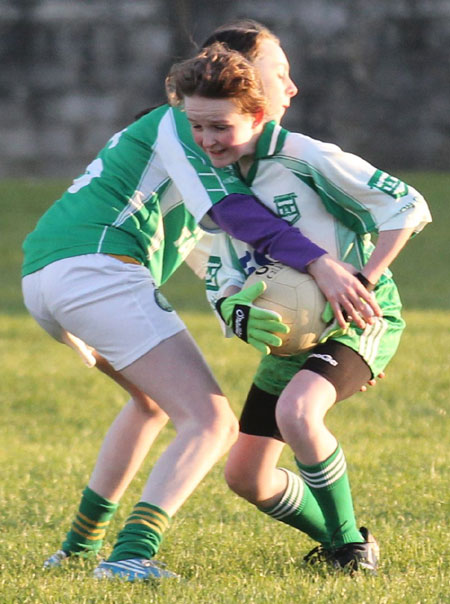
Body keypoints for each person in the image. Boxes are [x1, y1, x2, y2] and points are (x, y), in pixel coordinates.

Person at [24, 21, 379, 582]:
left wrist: (239, 306)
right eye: (278, 72)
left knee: (150, 404)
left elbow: (215, 263)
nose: (289, 88)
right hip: (95, 268)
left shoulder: (205, 140)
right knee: (211, 421)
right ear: (234, 69)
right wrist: (320, 262)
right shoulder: (184, 127)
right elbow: (230, 214)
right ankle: (131, 556)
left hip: (47, 272)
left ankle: (76, 549)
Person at [167, 42, 432, 573]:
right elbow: (219, 271)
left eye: (219, 126)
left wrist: (364, 278)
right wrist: (236, 314)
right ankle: (347, 537)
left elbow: (407, 204)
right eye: (197, 128)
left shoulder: (307, 156)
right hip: (297, 333)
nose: (207, 140)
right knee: (246, 477)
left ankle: (352, 554)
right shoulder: (212, 185)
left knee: (297, 412)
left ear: (257, 114)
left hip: (360, 316)